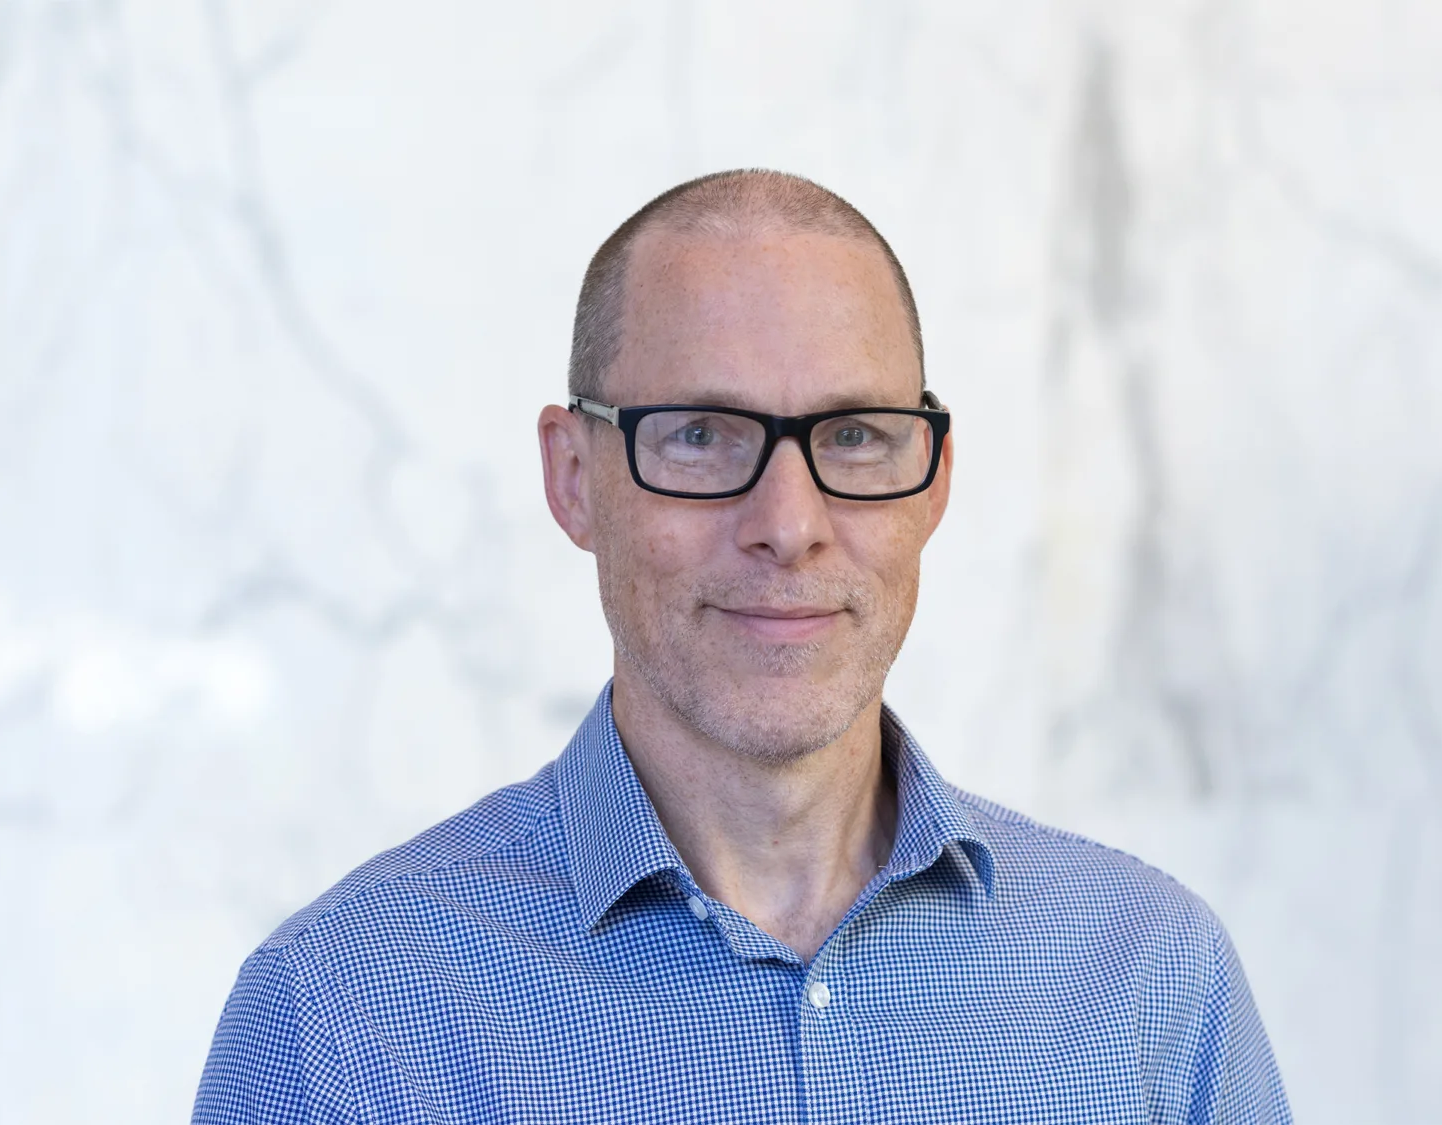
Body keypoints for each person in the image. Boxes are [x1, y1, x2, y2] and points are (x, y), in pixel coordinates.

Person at [194, 169, 1291, 1123]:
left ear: (935, 481)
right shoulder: (340, 1017)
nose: (788, 522)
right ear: (573, 478)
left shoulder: (1150, 982)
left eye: (853, 437)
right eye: (701, 435)